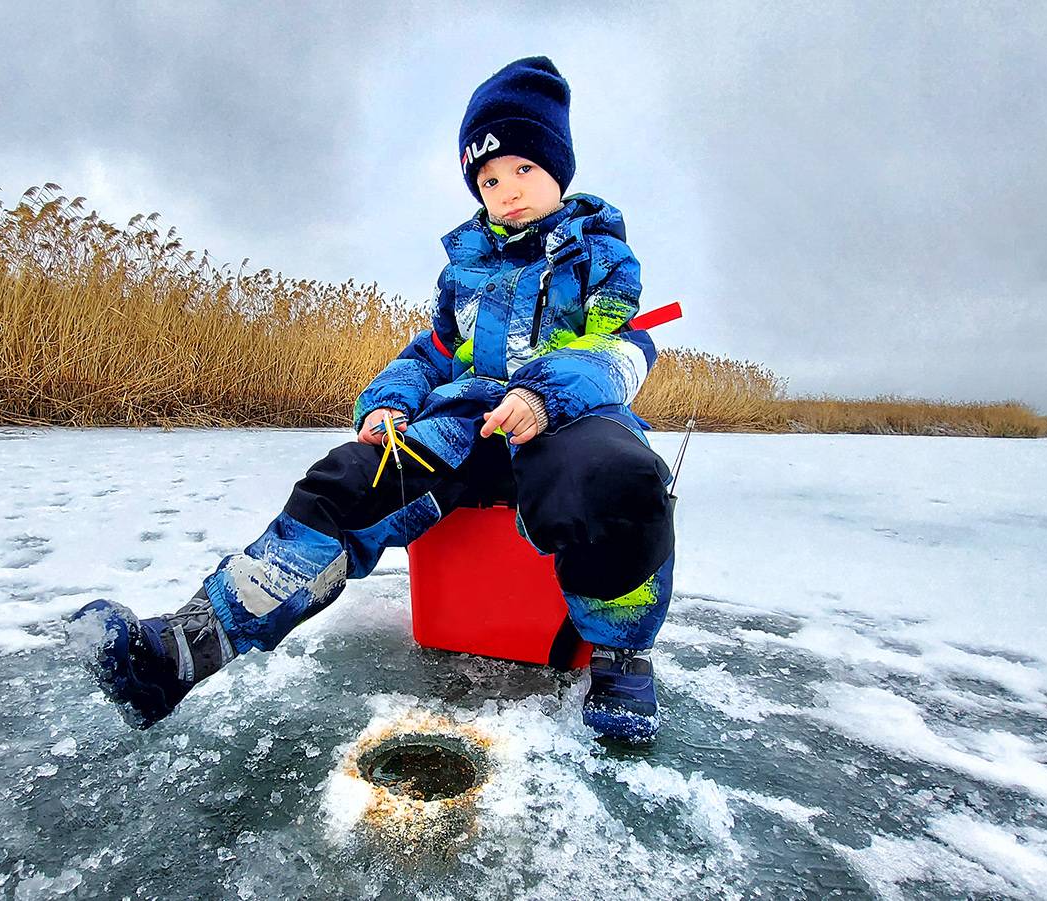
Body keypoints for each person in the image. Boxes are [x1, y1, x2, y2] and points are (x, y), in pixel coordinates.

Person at [72, 56, 675, 742]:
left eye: (523, 169)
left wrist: (540, 396)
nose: (506, 190)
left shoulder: (602, 257)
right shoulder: (464, 272)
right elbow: (431, 354)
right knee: (343, 482)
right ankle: (183, 651)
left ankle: (621, 657)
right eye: (488, 179)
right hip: (468, 428)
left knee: (618, 479)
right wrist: (388, 402)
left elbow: (620, 349)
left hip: (568, 422)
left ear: (558, 169)